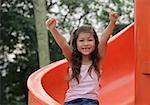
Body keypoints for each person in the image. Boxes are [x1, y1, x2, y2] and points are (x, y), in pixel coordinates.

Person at [46, 12, 118, 105]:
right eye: (81, 40)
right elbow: (63, 44)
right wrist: (53, 29)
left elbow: (104, 39)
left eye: (90, 40)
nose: (86, 44)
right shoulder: (73, 60)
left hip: (90, 101)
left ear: (95, 42)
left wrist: (112, 22)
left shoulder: (97, 61)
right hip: (72, 101)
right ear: (75, 44)